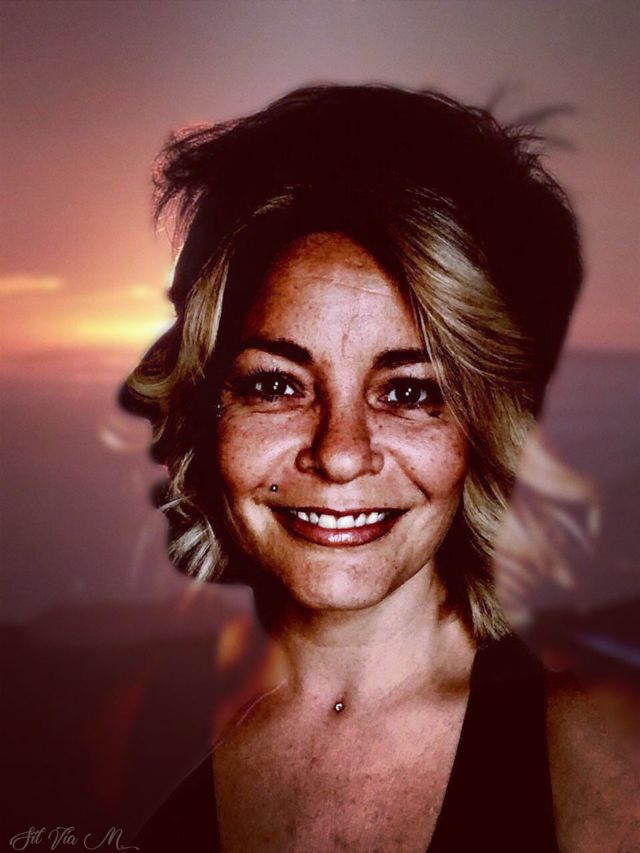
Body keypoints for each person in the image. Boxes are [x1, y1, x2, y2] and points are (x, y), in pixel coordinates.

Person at [124, 84, 637, 851]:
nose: (340, 453)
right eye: (276, 385)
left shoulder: (599, 759)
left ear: (480, 427)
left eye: (408, 392)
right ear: (209, 408)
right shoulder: (138, 736)